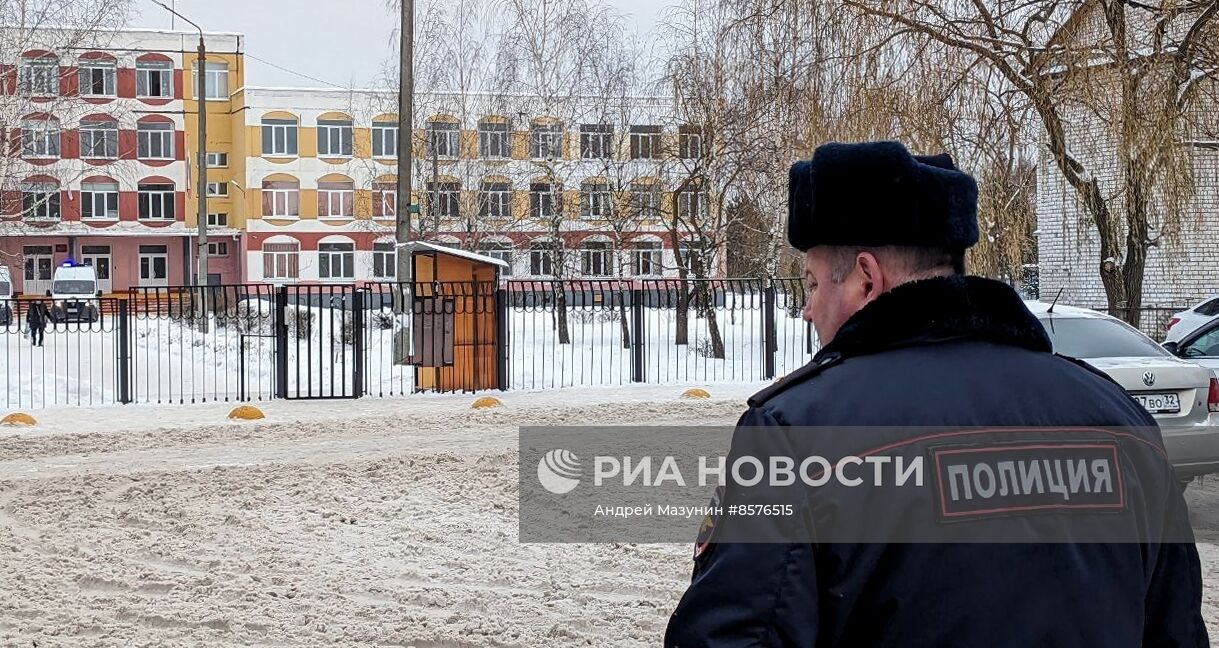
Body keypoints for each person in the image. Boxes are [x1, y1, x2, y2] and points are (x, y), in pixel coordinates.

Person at [665, 141, 1206, 647]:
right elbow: (1174, 630)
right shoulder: (1119, 419)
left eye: (810, 283)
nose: (806, 309)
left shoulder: (798, 433)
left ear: (865, 280)